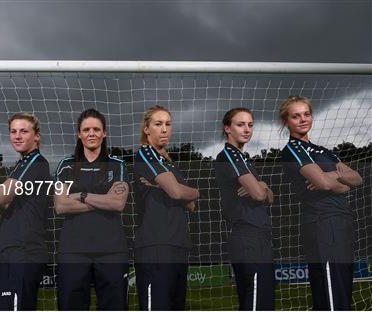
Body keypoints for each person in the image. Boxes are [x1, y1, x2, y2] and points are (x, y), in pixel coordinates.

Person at [279, 95, 362, 310]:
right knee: (330, 290)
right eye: (296, 116)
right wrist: (337, 177)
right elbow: (324, 185)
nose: (303, 119)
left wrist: (331, 176)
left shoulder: (323, 151)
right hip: (322, 223)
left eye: (307, 114)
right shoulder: (293, 151)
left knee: (343, 287)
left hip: (341, 221)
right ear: (286, 122)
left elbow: (356, 179)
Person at [54, 108, 129, 310]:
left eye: (96, 129)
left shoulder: (117, 165)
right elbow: (61, 205)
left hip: (111, 250)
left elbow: (117, 203)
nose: (91, 133)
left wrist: (81, 195)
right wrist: (103, 201)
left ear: (104, 133)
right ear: (79, 134)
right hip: (73, 250)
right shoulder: (66, 165)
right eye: (86, 129)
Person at [133, 105, 200, 310]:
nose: (164, 129)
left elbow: (192, 203)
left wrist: (182, 190)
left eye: (168, 124)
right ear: (147, 129)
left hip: (178, 243)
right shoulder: (146, 155)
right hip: (156, 245)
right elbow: (178, 193)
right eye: (158, 124)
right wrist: (184, 190)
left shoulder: (169, 163)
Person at [214, 108, 275, 310]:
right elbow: (259, 195)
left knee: (264, 299)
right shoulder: (229, 156)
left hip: (260, 235)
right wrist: (261, 188)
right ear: (227, 128)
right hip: (246, 236)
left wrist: (263, 186)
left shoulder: (245, 159)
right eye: (240, 124)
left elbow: (269, 197)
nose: (247, 129)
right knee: (254, 300)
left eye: (250, 125)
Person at [0, 113, 50, 310]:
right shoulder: (21, 164)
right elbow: (0, 207)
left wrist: (0, 200)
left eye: (23, 131)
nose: (17, 136)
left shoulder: (35, 162)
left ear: (37, 136)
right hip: (11, 248)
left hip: (24, 249)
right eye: (13, 131)